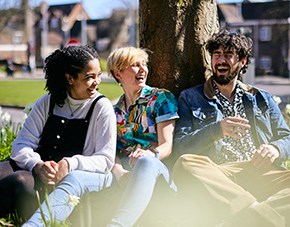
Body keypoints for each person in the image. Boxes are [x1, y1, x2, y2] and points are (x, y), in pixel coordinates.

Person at [172, 30, 290, 227]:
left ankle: (242, 216)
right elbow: (180, 147)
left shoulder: (261, 98)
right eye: (216, 55)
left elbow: (287, 137)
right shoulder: (191, 98)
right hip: (220, 173)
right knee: (185, 164)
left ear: (242, 61)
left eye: (228, 55)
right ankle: (261, 217)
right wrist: (215, 130)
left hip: (260, 169)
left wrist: (276, 148)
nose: (221, 61)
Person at [0, 45, 116, 226]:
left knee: (19, 182)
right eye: (89, 77)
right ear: (69, 78)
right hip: (37, 169)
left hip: (66, 181)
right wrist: (37, 165)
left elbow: (105, 160)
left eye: (98, 75)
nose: (97, 82)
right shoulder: (48, 102)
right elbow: (21, 144)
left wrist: (70, 163)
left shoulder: (101, 107)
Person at [105, 46, 179, 226]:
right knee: (76, 178)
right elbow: (109, 150)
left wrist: (150, 154)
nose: (143, 70)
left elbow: (166, 146)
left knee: (145, 162)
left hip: (156, 171)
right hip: (124, 175)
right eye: (135, 65)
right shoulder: (113, 112)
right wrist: (118, 171)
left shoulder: (161, 99)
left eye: (144, 64)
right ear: (118, 73)